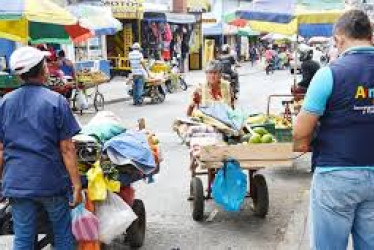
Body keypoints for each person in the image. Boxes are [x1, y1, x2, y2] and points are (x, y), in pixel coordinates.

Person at [293, 10, 374, 249]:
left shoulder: (329, 74)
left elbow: (299, 133)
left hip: (335, 176)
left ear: (338, 40)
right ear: (370, 36)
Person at [1, 47, 82, 249]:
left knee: (23, 237)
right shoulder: (56, 101)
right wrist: (77, 184)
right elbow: (67, 148)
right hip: (51, 182)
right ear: (42, 70)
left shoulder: (5, 102)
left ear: (20, 75)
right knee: (62, 233)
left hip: (17, 182)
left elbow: (1, 149)